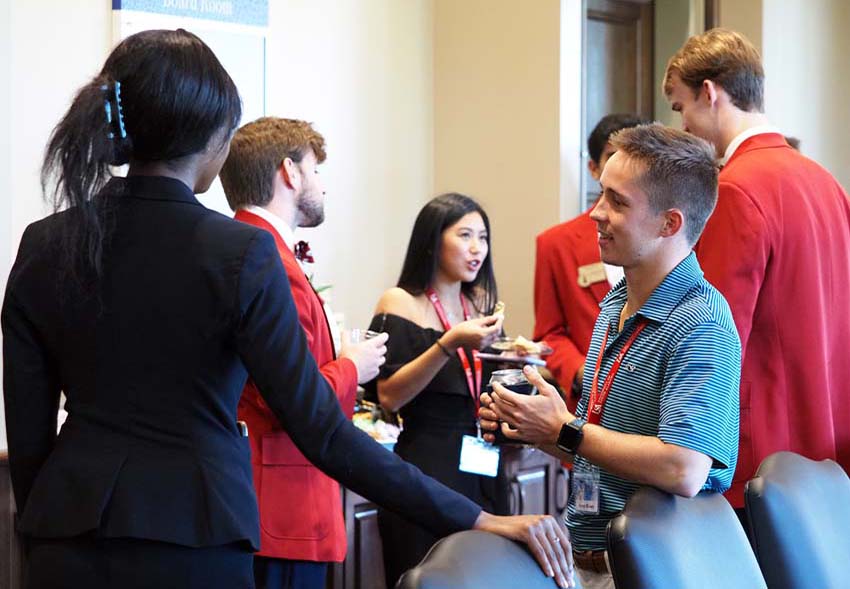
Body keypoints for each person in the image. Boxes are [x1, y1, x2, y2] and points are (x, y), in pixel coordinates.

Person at [1, 29, 575, 589]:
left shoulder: (44, 241)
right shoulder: (238, 253)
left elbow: (28, 439)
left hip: (65, 540)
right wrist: (476, 517)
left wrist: (44, 530)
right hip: (197, 538)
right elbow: (321, 431)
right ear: (210, 136)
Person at [482, 124, 741, 589]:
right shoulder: (616, 303)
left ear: (670, 224)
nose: (596, 214)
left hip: (654, 569)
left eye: (618, 203)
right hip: (590, 560)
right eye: (602, 195)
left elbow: (683, 467)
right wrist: (534, 425)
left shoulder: (701, 321)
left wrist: (564, 429)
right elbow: (597, 445)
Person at [664, 28, 850, 513]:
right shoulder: (825, 181)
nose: (682, 125)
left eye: (680, 107)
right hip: (826, 442)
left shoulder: (735, 189)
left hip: (758, 453)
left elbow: (717, 339)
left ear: (710, 93)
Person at [219, 117, 388, 588]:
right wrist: (354, 364)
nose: (322, 187)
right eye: (316, 171)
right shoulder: (267, 258)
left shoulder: (258, 250)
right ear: (290, 173)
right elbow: (288, 398)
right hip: (282, 503)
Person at [366, 193, 505, 586]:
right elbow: (390, 395)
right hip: (426, 464)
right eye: (465, 235)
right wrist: (449, 343)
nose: (477, 248)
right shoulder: (400, 302)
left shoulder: (481, 306)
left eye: (483, 237)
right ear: (433, 240)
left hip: (485, 462)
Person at [533, 113, 649, 408]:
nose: (624, 170)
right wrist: (580, 371)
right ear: (594, 168)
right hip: (586, 406)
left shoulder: (667, 236)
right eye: (613, 158)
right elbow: (549, 332)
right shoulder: (556, 243)